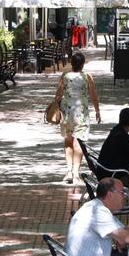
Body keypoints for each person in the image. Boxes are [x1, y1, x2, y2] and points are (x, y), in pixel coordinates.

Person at [53, 51, 100, 185]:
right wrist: (97, 111)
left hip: (67, 112)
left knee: (68, 141)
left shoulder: (65, 76)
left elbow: (58, 95)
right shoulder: (87, 77)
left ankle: (68, 170)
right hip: (81, 112)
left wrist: (55, 108)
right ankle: (75, 173)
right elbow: (93, 96)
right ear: (83, 64)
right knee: (78, 142)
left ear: (72, 63)